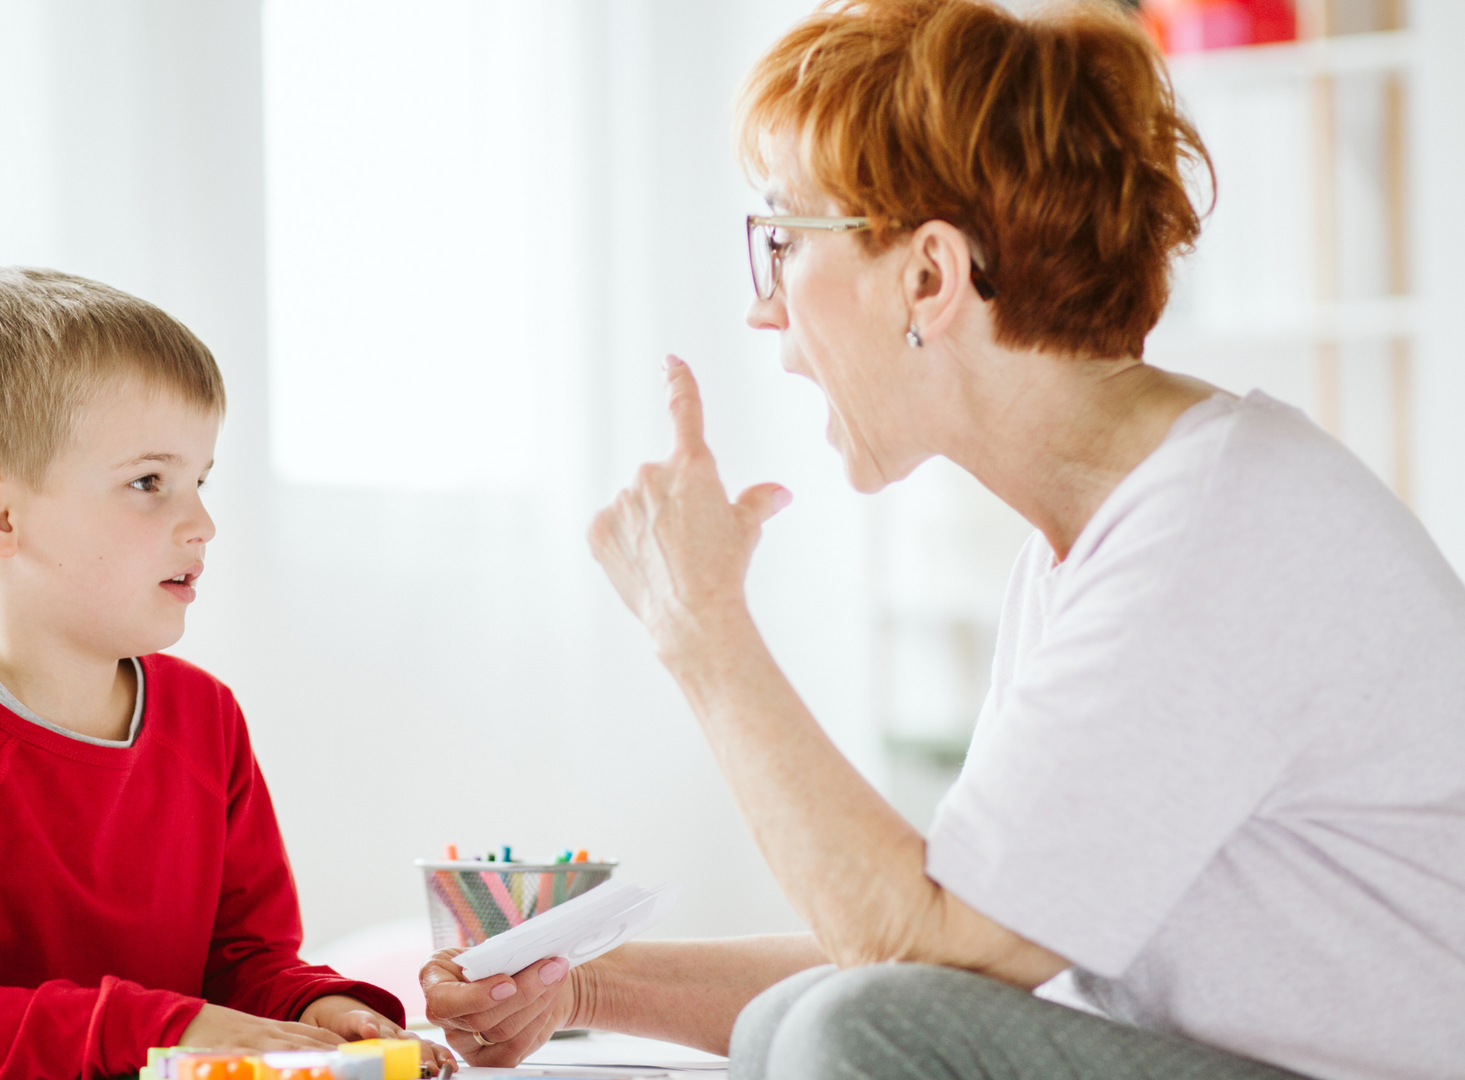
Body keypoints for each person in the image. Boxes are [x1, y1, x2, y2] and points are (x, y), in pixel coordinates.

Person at [421, 2, 1465, 1079]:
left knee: (839, 1030)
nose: (764, 310)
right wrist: (580, 985)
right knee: (804, 1022)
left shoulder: (1215, 539)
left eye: (782, 241)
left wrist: (702, 627)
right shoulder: (1111, 538)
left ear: (929, 277)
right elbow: (953, 964)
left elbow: (916, 954)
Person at [0, 269, 456, 1080]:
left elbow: (243, 966)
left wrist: (313, 1010)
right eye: (147, 483)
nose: (201, 523)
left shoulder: (208, 722)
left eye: (200, 481)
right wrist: (159, 1026)